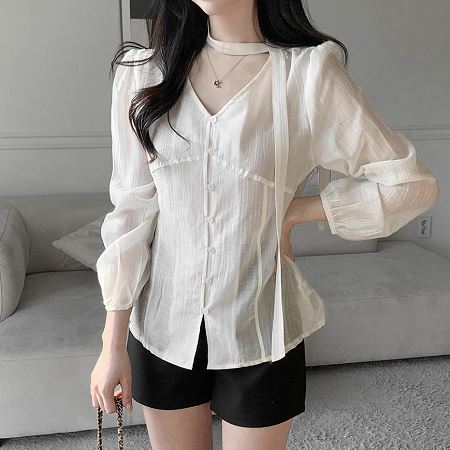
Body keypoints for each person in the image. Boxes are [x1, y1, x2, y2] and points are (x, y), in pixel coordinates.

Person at [90, 1, 440, 449]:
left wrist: (298, 211)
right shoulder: (145, 75)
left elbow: (411, 184)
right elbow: (131, 214)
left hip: (262, 327)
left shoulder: (306, 76)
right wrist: (112, 344)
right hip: (161, 327)